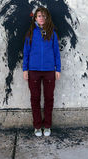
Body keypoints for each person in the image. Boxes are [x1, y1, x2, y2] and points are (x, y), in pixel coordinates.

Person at [23, 7, 61, 137]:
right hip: (33, 71)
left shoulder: (52, 34)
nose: (41, 18)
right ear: (35, 18)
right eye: (39, 16)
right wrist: (25, 69)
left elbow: (56, 52)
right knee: (35, 98)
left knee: (49, 98)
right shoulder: (31, 33)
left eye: (43, 16)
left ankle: (47, 125)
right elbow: (26, 53)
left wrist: (58, 69)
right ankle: (37, 126)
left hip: (49, 71)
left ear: (47, 18)